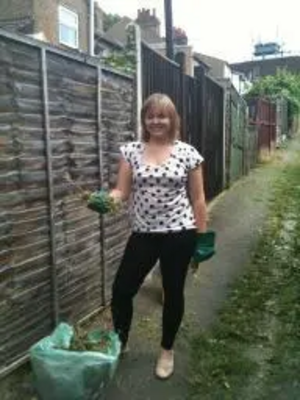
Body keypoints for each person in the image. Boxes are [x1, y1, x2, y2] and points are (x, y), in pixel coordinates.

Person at [108, 93, 208, 380]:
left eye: (162, 115)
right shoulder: (131, 151)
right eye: (150, 115)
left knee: (173, 293)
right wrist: (107, 200)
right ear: (144, 120)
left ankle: (166, 350)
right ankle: (120, 341)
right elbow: (122, 191)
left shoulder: (188, 153)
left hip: (180, 233)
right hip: (143, 234)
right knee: (122, 289)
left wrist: (202, 238)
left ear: (173, 119)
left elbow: (198, 199)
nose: (156, 121)